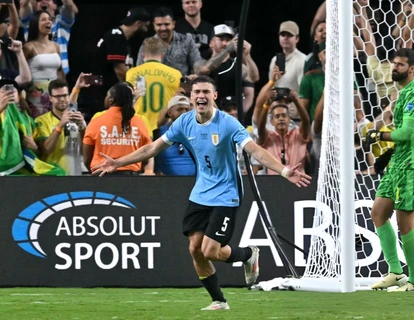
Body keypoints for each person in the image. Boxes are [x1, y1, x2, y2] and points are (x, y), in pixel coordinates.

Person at [91, 75, 311, 310]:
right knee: (195, 249)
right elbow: (153, 147)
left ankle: (247, 254)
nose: (201, 96)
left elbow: (255, 150)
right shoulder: (185, 122)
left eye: (206, 92)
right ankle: (219, 300)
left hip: (227, 193)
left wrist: (285, 171)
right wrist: (117, 162)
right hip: (201, 193)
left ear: (214, 96)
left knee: (210, 250)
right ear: (191, 97)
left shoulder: (227, 123)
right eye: (197, 92)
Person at [365, 48, 414, 292]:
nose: (395, 68)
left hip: (412, 165)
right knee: (378, 213)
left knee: (405, 223)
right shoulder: (401, 94)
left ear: (412, 68)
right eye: (394, 64)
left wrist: (379, 135)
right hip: (398, 163)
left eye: (400, 65)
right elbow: (404, 134)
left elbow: (407, 133)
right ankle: (395, 272)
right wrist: (388, 154)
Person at [83, 82, 153, 176]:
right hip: (131, 179)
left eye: (107, 95)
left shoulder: (96, 121)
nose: (105, 98)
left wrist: (94, 171)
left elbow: (87, 158)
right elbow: (146, 155)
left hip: (101, 176)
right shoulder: (140, 123)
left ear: (111, 100)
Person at [126, 37, 182, 134]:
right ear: (161, 55)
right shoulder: (176, 74)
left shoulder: (131, 73)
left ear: (143, 55)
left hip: (139, 128)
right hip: (165, 129)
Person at [34, 79, 85, 175]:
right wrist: (60, 125)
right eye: (57, 96)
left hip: (75, 174)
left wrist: (82, 129)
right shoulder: (41, 121)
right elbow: (45, 151)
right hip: (52, 176)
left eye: (65, 95)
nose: (62, 99)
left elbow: (84, 152)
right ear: (50, 98)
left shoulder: (78, 119)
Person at [19, 0, 78, 74]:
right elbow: (23, 4)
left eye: (47, 0)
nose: (43, 1)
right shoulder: (30, 23)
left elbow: (69, 6)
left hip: (59, 78)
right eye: (39, 0)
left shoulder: (61, 23)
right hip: (35, 77)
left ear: (55, 6)